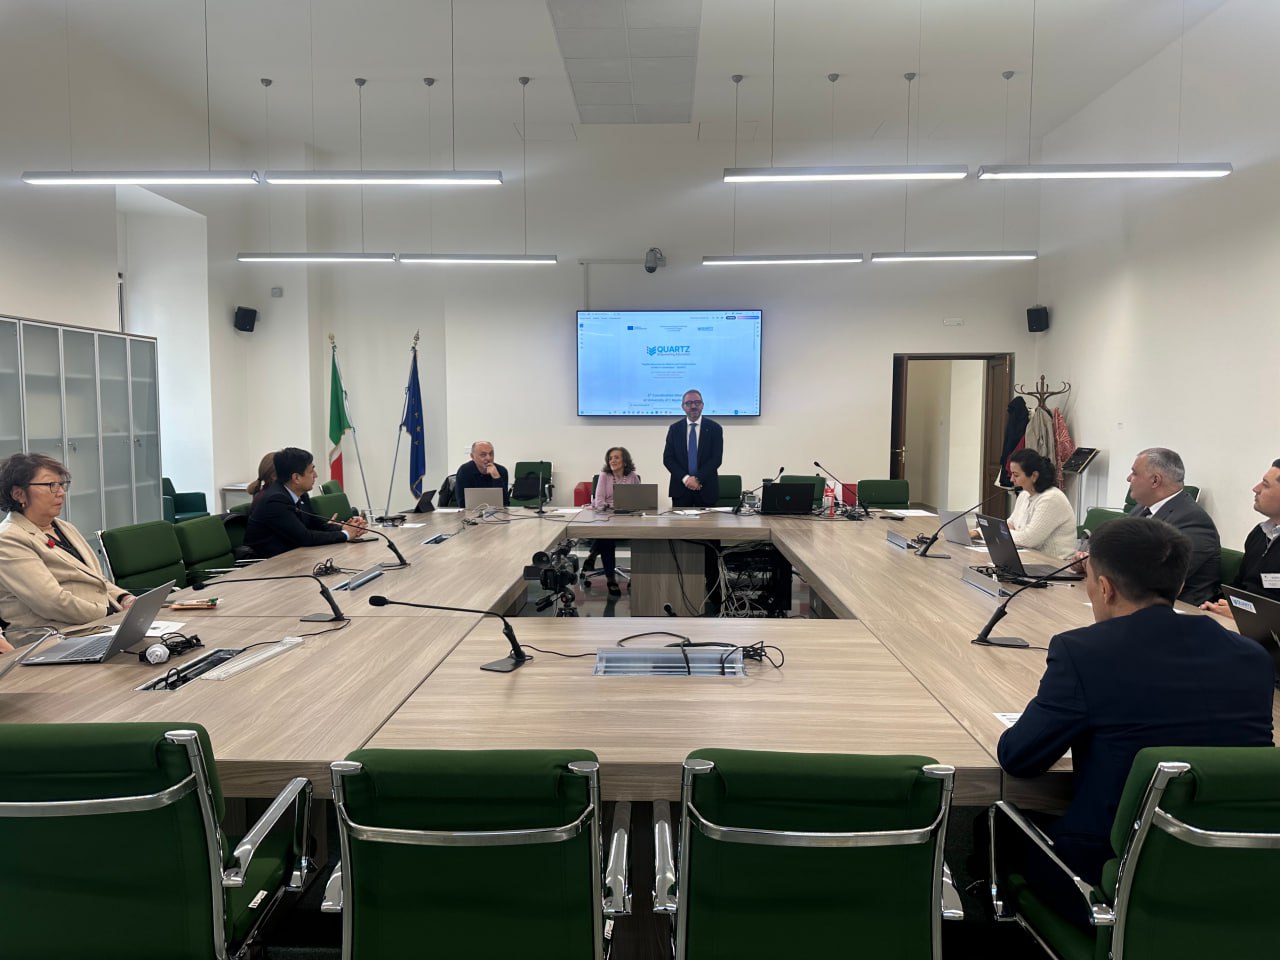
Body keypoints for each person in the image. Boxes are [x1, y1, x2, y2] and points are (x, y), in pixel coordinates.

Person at [998, 517, 1273, 902]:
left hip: (1112, 874)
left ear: (1105, 587)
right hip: (1239, 866)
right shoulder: (1252, 656)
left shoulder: (1084, 653)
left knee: (996, 824)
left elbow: (1020, 758)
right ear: (1179, 584)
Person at [0, 452, 135, 633]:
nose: (61, 493)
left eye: (62, 485)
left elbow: (96, 580)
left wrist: (124, 599)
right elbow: (51, 602)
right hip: (53, 636)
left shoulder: (63, 527)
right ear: (19, 494)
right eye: (51, 485)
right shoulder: (8, 539)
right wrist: (110, 614)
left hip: (98, 624)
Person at [1123, 447, 1220, 605]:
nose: (1128, 479)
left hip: (1178, 608)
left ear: (1155, 480)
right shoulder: (1141, 509)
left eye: (1134, 473)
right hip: (1135, 599)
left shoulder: (1193, 521)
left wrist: (1105, 566)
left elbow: (1161, 578)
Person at [244, 447, 367, 559]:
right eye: (311, 471)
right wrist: (346, 534)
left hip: (293, 557)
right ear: (296, 478)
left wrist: (345, 528)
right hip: (268, 564)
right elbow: (305, 537)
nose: (316, 475)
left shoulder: (300, 494)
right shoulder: (275, 500)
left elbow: (317, 525)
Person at [1201, 458, 1280, 617]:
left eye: (1265, 485)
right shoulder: (1260, 533)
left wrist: (1246, 614)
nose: (1255, 489)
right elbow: (1239, 587)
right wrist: (1214, 605)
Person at [1003, 448, 1078, 560]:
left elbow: (1029, 540)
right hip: (1030, 559)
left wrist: (1002, 534)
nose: (1011, 479)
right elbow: (1010, 523)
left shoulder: (1051, 498)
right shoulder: (1024, 495)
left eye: (1016, 475)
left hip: (1055, 564)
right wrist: (980, 532)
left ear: (1034, 476)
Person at [586, 446, 641, 596]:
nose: (612, 460)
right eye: (610, 458)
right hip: (607, 515)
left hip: (628, 517)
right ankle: (611, 579)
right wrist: (613, 507)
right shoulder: (604, 475)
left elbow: (640, 499)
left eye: (616, 457)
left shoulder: (633, 477)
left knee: (641, 536)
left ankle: (593, 553)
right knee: (607, 537)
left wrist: (629, 508)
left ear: (625, 461)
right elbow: (599, 501)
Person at [662, 389, 723, 508]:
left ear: (702, 405)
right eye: (689, 403)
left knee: (709, 521)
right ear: (683, 407)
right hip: (681, 490)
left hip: (706, 489)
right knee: (680, 521)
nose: (693, 406)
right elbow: (668, 459)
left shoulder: (715, 429)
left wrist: (697, 479)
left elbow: (716, 459)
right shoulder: (674, 429)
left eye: (697, 402)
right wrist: (686, 479)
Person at [455, 441, 509, 508]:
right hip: (471, 511)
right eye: (483, 455)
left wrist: (496, 478)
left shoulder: (501, 471)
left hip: (497, 511)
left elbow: (505, 503)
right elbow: (462, 503)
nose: (488, 458)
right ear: (472, 456)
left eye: (491, 454)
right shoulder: (464, 471)